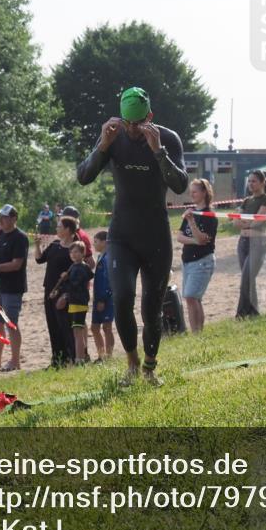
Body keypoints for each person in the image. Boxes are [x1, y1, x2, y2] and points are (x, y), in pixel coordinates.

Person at [76, 86, 188, 385]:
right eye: (128, 124)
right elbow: (83, 176)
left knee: (151, 309)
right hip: (122, 235)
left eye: (138, 124)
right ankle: (132, 364)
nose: (133, 130)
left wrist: (158, 152)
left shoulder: (168, 138)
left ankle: (150, 368)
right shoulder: (113, 136)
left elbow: (179, 185)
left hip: (156, 236)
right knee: (122, 298)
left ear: (150, 117)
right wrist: (102, 146)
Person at [0, 204, 29, 371]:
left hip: (13, 287)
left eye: (4, 217)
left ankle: (16, 361)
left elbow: (17, 264)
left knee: (11, 324)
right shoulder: (1, 234)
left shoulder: (21, 237)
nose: (1, 220)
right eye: (0, 217)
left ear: (14, 219)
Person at [35, 215, 80, 367]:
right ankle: (57, 359)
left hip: (64, 292)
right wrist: (37, 246)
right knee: (52, 325)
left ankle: (70, 358)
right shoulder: (55, 244)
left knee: (65, 326)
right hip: (49, 290)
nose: (56, 229)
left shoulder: (74, 249)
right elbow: (39, 259)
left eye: (59, 226)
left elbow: (77, 274)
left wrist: (66, 295)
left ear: (67, 229)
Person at [178, 179, 217, 331]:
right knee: (193, 299)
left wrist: (191, 222)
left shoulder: (209, 215)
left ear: (204, 193)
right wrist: (194, 239)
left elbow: (203, 240)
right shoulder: (191, 211)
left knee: (191, 297)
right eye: (191, 191)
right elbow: (180, 237)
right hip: (188, 261)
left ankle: (196, 333)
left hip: (202, 261)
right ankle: (198, 332)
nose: (191, 194)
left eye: (195, 191)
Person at [236, 170, 266, 318]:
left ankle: (242, 313)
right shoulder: (246, 200)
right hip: (242, 243)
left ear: (262, 182)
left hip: (257, 243)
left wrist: (246, 223)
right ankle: (253, 312)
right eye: (249, 181)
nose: (250, 184)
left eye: (254, 181)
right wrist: (247, 223)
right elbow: (235, 222)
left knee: (246, 279)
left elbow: (258, 222)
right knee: (249, 280)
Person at [63, 242, 95, 363]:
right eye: (71, 252)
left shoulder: (82, 267)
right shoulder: (73, 266)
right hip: (74, 301)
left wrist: (66, 280)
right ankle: (80, 357)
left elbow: (76, 284)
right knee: (76, 330)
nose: (73, 254)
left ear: (83, 253)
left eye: (76, 252)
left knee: (78, 330)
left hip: (79, 301)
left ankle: (80, 359)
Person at [90, 231, 115, 356]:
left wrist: (102, 299)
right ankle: (101, 355)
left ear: (104, 242)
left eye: (96, 241)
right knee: (94, 328)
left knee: (107, 327)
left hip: (106, 299)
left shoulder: (108, 258)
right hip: (98, 297)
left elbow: (108, 280)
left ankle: (109, 356)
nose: (93, 244)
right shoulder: (101, 256)